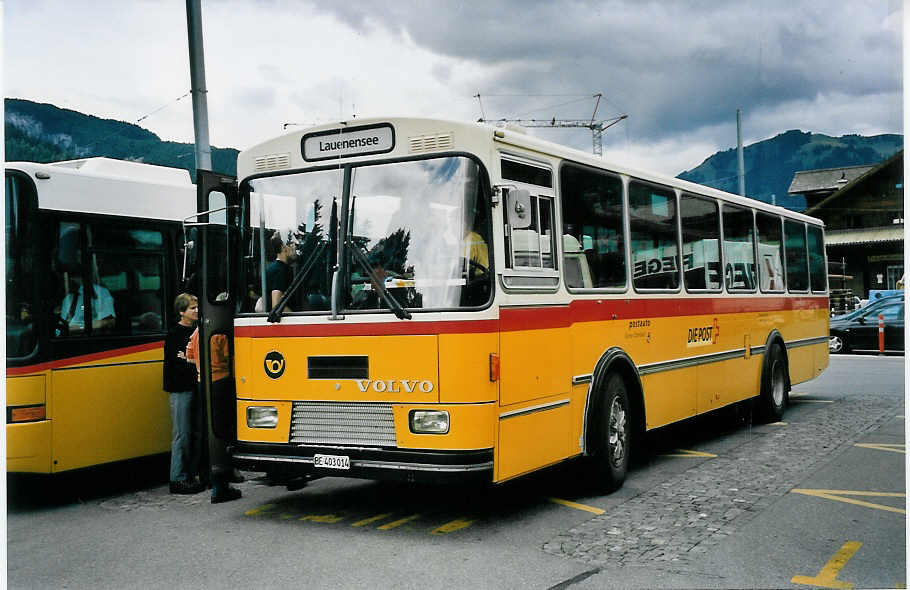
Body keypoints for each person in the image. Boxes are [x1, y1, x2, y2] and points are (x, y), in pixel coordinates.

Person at [186, 324, 243, 504]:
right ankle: (221, 483)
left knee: (208, 430)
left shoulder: (196, 332)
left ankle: (207, 476)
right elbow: (231, 358)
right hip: (221, 382)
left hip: (202, 382)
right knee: (224, 430)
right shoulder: (220, 334)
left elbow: (189, 357)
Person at [162, 293, 205, 495]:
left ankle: (191, 475)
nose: (196, 311)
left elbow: (188, 359)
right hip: (180, 388)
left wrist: (188, 359)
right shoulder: (174, 334)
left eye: (197, 307)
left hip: (194, 385)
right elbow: (179, 362)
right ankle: (177, 478)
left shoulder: (198, 330)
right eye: (192, 308)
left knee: (195, 432)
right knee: (182, 433)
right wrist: (191, 360)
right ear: (181, 312)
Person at [263, 231, 298, 311]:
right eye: (292, 244)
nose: (295, 247)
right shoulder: (281, 271)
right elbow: (276, 307)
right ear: (283, 247)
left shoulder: (271, 268)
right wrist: (296, 319)